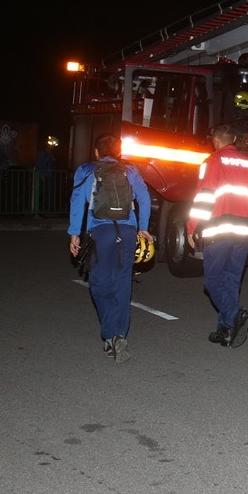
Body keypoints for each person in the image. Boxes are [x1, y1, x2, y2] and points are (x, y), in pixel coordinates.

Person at [187, 123, 248, 349]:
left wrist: (191, 228)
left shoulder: (212, 162)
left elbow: (204, 198)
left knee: (212, 280)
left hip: (218, 231)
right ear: (234, 140)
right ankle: (226, 331)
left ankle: (236, 314)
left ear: (215, 140)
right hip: (243, 233)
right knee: (231, 281)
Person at [67, 133, 153, 363]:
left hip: (101, 233)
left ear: (96, 152)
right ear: (118, 152)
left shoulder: (86, 170)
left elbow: (77, 202)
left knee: (98, 283)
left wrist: (74, 233)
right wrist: (143, 227)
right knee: (122, 283)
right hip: (127, 233)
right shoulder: (131, 171)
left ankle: (111, 334)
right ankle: (119, 335)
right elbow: (144, 199)